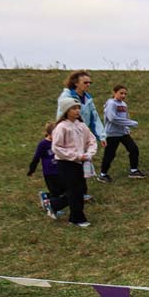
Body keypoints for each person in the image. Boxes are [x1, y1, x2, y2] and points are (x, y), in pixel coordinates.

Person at [47, 97, 96, 228]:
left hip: (81, 162)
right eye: (73, 108)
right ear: (66, 111)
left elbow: (91, 141)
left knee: (79, 190)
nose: (77, 110)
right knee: (74, 190)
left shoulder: (81, 125)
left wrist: (89, 154)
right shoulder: (62, 127)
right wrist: (75, 156)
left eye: (78, 108)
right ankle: (76, 218)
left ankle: (53, 204)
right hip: (66, 163)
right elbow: (57, 147)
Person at [99, 85, 144, 182]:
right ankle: (103, 174)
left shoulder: (124, 104)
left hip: (123, 133)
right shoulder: (111, 103)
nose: (123, 95)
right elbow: (112, 118)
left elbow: (125, 117)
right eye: (121, 93)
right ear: (114, 93)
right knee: (110, 154)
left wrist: (126, 128)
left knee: (133, 149)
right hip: (112, 134)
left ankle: (134, 171)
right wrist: (131, 123)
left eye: (125, 94)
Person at [55, 71, 104, 144]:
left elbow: (94, 118)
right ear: (76, 83)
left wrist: (101, 136)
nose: (88, 85)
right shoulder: (66, 97)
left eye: (90, 83)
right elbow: (61, 116)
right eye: (85, 82)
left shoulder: (88, 99)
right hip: (68, 135)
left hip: (82, 134)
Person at [27, 121, 64, 217]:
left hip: (60, 170)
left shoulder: (59, 142)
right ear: (49, 133)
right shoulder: (43, 144)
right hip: (50, 173)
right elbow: (36, 157)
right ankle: (53, 210)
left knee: (62, 191)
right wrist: (32, 169)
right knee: (55, 192)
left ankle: (46, 196)